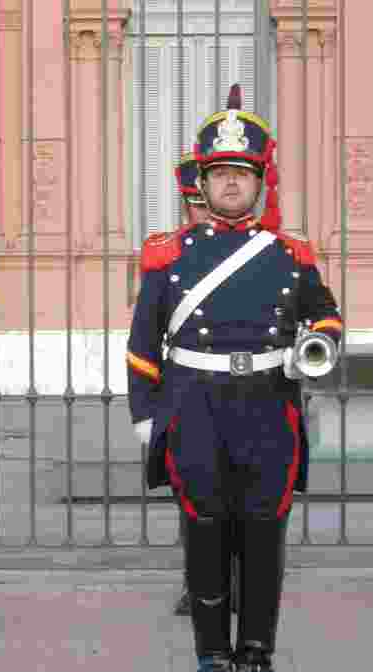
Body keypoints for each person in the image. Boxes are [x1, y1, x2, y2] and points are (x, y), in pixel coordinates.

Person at [127, 85, 342, 672]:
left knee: (263, 541)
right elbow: (144, 343)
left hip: (268, 410)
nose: (228, 185)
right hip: (195, 409)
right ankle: (210, 664)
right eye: (219, 173)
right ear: (204, 180)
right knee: (205, 537)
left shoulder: (290, 257)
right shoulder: (170, 258)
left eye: (240, 175)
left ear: (259, 183)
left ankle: (258, 662)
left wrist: (319, 343)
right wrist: (146, 413)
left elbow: (326, 317)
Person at [170, 152, 207, 617]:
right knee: (193, 498)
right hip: (189, 392)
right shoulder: (170, 254)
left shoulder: (267, 248)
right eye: (194, 203)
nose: (202, 210)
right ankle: (195, 581)